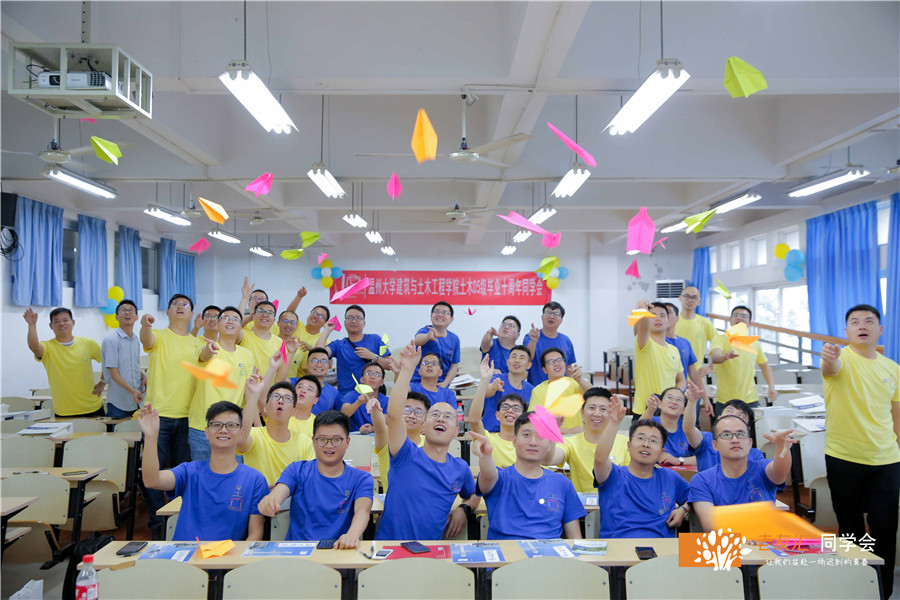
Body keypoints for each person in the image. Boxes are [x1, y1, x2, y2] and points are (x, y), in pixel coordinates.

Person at [821, 304, 899, 598]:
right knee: (850, 528)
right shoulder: (840, 359)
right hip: (844, 458)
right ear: (847, 331)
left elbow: (897, 416)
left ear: (880, 329)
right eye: (855, 322)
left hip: (886, 460)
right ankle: (853, 588)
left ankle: (882, 591)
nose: (862, 325)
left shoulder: (893, 368)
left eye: (869, 321)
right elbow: (831, 369)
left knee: (885, 528)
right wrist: (829, 358)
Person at [374, 343, 476, 541]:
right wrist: (407, 370)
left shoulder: (460, 468)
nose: (440, 418)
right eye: (435, 414)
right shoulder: (405, 453)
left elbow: (474, 495)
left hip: (431, 551)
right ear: (423, 426)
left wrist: (463, 509)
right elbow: (394, 415)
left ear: (456, 431)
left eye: (448, 416)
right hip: (390, 549)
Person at [137, 400, 268, 541]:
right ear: (206, 432)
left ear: (241, 433)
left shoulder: (255, 479)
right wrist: (150, 437)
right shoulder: (189, 471)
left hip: (227, 553)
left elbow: (255, 534)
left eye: (231, 425)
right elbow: (151, 480)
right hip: (185, 552)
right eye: (216, 425)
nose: (223, 430)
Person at [258, 410, 374, 548]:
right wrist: (270, 501)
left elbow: (363, 511)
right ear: (313, 441)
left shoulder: (361, 479)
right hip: (298, 552)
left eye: (337, 440)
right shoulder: (297, 470)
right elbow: (279, 492)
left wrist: (352, 535)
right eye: (322, 439)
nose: (329, 445)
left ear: (347, 442)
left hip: (338, 550)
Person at [140, 294, 205, 536]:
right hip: (157, 418)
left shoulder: (197, 344)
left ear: (191, 314)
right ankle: (158, 525)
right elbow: (146, 339)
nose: (180, 307)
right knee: (152, 474)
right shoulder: (158, 336)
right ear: (167, 312)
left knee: (184, 476)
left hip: (189, 418)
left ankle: (180, 524)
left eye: (185, 305)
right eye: (175, 304)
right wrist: (145, 325)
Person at [593, 398, 691, 538]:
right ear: (628, 446)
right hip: (619, 547)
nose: (646, 444)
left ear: (661, 452)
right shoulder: (614, 475)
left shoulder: (669, 476)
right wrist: (614, 422)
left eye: (653, 441)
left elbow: (696, 496)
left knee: (717, 549)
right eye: (640, 438)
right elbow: (599, 459)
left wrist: (683, 509)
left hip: (662, 548)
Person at [688, 414, 794, 531]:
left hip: (763, 540)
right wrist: (744, 535)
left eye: (741, 434)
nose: (735, 440)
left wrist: (781, 447)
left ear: (750, 443)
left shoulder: (762, 469)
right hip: (726, 541)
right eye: (726, 435)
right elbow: (710, 524)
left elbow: (780, 471)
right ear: (715, 445)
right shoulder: (702, 480)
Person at [186, 306, 254, 461]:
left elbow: (248, 393)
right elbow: (204, 356)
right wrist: (208, 350)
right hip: (202, 425)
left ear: (240, 327)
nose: (230, 321)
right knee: (202, 472)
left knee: (232, 472)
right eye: (225, 318)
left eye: (235, 319)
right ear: (218, 324)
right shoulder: (206, 347)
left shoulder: (247, 355)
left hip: (232, 426)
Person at [542, 388, 630, 492]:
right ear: (582, 412)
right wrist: (552, 429)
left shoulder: (626, 443)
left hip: (615, 500)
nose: (597, 413)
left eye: (603, 409)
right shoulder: (571, 443)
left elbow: (630, 478)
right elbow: (548, 460)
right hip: (582, 502)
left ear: (611, 412)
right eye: (592, 408)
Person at [238, 372, 315, 488]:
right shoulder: (254, 435)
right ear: (265, 407)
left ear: (293, 411)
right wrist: (253, 395)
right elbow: (241, 438)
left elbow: (309, 479)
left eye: (287, 399)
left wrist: (282, 491)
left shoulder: (305, 442)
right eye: (275, 397)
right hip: (258, 497)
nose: (281, 401)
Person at [25, 307, 105, 417]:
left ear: (73, 323)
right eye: (56, 321)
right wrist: (32, 325)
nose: (61, 324)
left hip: (93, 407)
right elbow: (34, 347)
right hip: (64, 410)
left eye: (65, 320)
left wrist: (103, 381)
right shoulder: (48, 347)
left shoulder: (88, 343)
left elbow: (109, 362)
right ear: (51, 326)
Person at [709, 305, 776, 414]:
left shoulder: (754, 343)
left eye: (744, 316)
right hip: (725, 400)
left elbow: (764, 366)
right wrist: (724, 357)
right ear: (730, 320)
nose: (739, 318)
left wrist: (771, 387)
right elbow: (715, 357)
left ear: (749, 323)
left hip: (750, 399)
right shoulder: (720, 339)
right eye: (736, 315)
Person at [682, 389, 765, 472]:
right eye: (729, 411)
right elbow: (689, 429)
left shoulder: (755, 455)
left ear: (748, 428)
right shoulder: (707, 439)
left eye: (740, 415)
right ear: (719, 418)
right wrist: (692, 402)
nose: (733, 416)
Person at [467, 356, 529, 468]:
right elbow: (474, 420)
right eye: (505, 407)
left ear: (523, 416)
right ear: (497, 415)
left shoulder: (529, 443)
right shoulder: (488, 439)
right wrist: (484, 380)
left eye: (516, 408)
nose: (510, 410)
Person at [317, 305, 392, 397]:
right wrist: (326, 331)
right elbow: (318, 354)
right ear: (345, 322)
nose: (353, 321)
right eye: (349, 317)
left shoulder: (375, 339)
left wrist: (372, 356)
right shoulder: (339, 345)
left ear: (364, 323)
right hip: (345, 397)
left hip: (370, 396)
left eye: (358, 318)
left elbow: (389, 365)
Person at [369, 391, 430, 492]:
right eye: (407, 410)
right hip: (393, 501)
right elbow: (379, 426)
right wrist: (375, 408)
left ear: (426, 419)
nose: (412, 415)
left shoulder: (431, 444)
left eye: (418, 412)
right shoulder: (387, 439)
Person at [633, 300, 685, 416]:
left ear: (668, 321)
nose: (658, 318)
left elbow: (681, 380)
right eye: (653, 315)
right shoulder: (645, 343)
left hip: (668, 412)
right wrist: (642, 311)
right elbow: (643, 327)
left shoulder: (674, 350)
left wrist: (673, 396)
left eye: (662, 315)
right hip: (645, 411)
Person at [664, 302, 713, 416]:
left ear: (677, 318)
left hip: (685, 395)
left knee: (690, 425)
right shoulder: (653, 342)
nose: (665, 316)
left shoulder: (685, 343)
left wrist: (705, 397)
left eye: (669, 312)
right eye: (662, 314)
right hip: (663, 396)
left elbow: (694, 373)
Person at [527, 348, 591, 434]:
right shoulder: (538, 391)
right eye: (551, 362)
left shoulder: (573, 382)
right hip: (552, 438)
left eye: (559, 360)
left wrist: (580, 380)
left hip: (576, 438)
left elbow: (593, 394)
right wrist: (569, 431)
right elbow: (535, 422)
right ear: (545, 370)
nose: (556, 364)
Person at [101, 300, 145, 419]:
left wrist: (143, 376)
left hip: (136, 401)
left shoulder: (135, 340)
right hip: (118, 403)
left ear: (136, 317)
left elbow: (132, 365)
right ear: (116, 317)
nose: (127, 313)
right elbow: (114, 374)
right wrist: (133, 391)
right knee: (119, 431)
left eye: (131, 310)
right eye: (123, 310)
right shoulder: (111, 340)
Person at [480, 345, 534, 432]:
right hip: (491, 434)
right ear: (507, 362)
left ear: (529, 365)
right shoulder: (497, 379)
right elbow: (485, 392)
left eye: (522, 358)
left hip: (516, 435)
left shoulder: (531, 390)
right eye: (514, 356)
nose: (517, 360)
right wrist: (493, 387)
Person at [638, 387, 696, 466]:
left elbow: (704, 456)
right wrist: (650, 409)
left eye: (679, 400)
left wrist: (678, 460)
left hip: (681, 472)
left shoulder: (687, 428)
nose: (674, 402)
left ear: (684, 410)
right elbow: (638, 431)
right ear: (660, 404)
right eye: (669, 397)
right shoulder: (650, 421)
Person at [523, 302, 577, 385]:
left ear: (561, 320)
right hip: (537, 388)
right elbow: (527, 358)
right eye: (548, 313)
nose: (551, 316)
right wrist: (533, 341)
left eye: (556, 314)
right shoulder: (530, 337)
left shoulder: (566, 340)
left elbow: (568, 368)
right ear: (542, 317)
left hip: (561, 389)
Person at [412, 301, 460, 387]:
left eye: (445, 313)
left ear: (451, 319)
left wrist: (444, 384)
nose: (440, 315)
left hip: (440, 384)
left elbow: (454, 366)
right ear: (431, 316)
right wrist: (428, 336)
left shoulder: (454, 339)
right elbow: (417, 341)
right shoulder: (425, 330)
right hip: (419, 381)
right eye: (437, 312)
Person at [340, 361, 389, 434]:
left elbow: (391, 422)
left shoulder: (387, 400)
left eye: (377, 374)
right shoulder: (350, 396)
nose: (372, 377)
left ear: (382, 382)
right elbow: (343, 415)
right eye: (368, 373)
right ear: (361, 379)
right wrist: (358, 402)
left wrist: (373, 429)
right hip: (354, 436)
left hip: (378, 436)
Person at [674, 286, 717, 367]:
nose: (690, 300)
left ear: (699, 301)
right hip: (672, 371)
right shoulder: (671, 321)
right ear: (680, 298)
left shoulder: (705, 323)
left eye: (694, 297)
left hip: (695, 372)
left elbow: (719, 342)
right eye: (686, 296)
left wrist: (710, 367)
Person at [238, 300, 284, 376]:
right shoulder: (243, 336)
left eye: (269, 313)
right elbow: (235, 325)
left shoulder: (280, 342)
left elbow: (281, 372)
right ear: (253, 316)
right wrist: (245, 297)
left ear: (274, 319)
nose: (265, 315)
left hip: (270, 383)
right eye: (260, 311)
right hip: (247, 383)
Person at [292, 347, 341, 414]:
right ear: (306, 365)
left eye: (323, 361)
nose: (319, 365)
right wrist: (290, 353)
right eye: (314, 361)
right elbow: (279, 379)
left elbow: (339, 416)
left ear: (329, 366)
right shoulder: (295, 383)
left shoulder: (334, 392)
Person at [289, 304, 331, 377]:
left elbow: (327, 364)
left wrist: (312, 350)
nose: (316, 316)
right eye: (314, 312)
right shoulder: (297, 325)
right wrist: (299, 298)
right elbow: (289, 314)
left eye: (321, 316)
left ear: (325, 323)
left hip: (306, 379)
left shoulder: (324, 341)